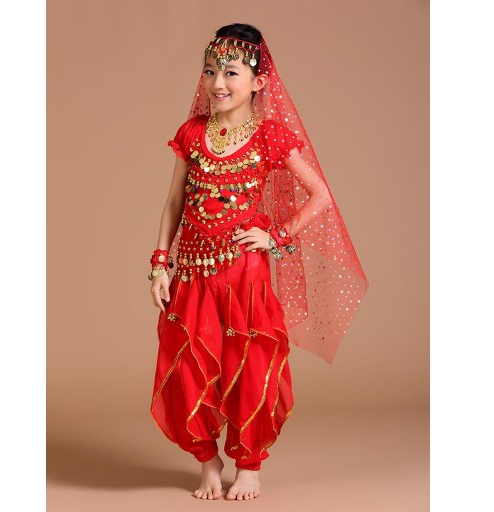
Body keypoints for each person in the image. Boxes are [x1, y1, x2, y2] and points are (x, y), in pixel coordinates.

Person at [149, 23, 369, 501]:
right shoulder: (192, 133)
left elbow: (320, 196)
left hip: (244, 276)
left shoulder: (269, 136)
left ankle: (249, 466)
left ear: (259, 81)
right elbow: (174, 203)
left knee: (249, 365)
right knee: (188, 364)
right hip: (192, 273)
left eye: (231, 72)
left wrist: (277, 235)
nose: (217, 83)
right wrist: (161, 262)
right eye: (210, 70)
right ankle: (207, 460)